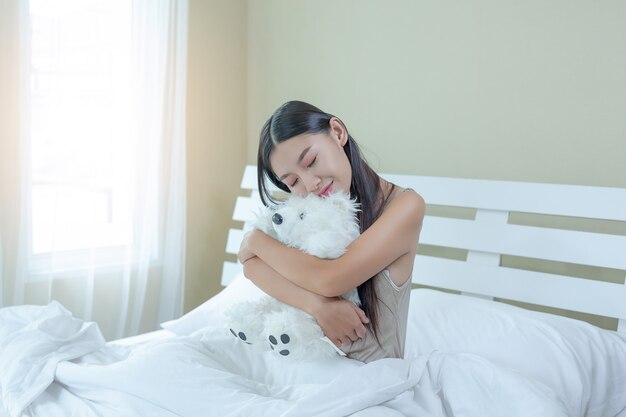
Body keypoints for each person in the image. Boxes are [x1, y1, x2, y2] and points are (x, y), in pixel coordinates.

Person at [238, 100, 425, 363]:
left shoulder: (406, 205)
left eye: (311, 161)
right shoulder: (310, 213)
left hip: (372, 374)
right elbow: (251, 268)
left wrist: (255, 239)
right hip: (314, 361)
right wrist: (318, 307)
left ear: (337, 132)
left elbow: (331, 280)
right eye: (293, 182)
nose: (311, 184)